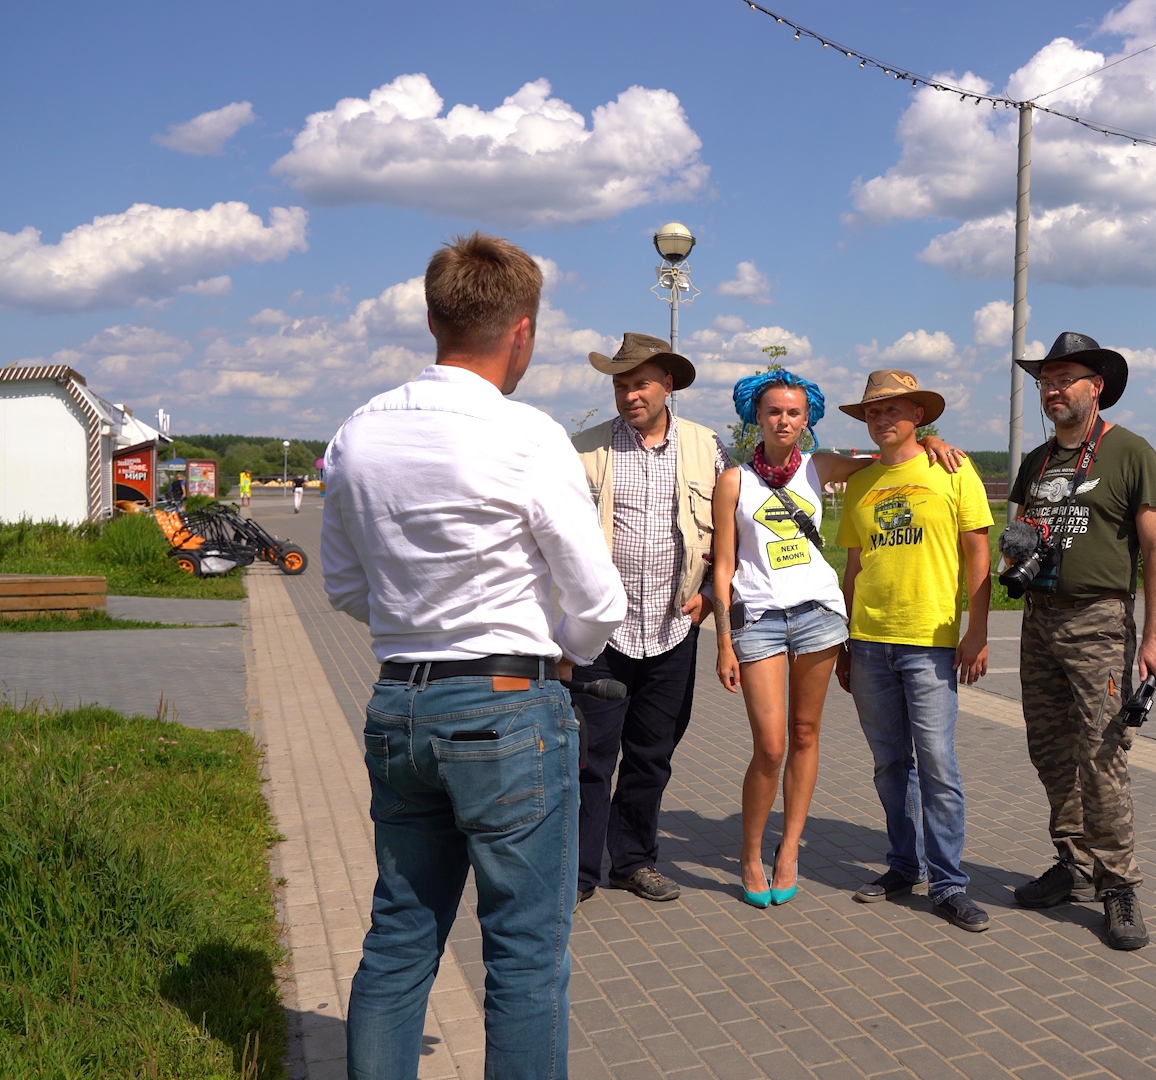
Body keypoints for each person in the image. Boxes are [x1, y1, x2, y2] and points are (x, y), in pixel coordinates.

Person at [321, 232, 626, 1078]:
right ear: (522, 331)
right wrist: (564, 655)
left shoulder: (359, 432)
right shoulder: (526, 436)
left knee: (401, 934)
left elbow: (343, 586)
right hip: (504, 707)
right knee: (525, 956)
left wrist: (414, 619)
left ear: (432, 318)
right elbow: (598, 600)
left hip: (399, 705)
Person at [710, 371, 964, 908]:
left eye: (795, 413)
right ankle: (751, 853)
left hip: (820, 617)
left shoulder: (817, 465)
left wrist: (934, 441)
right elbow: (725, 564)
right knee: (770, 745)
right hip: (758, 619)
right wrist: (724, 641)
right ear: (756, 416)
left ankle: (790, 851)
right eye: (774, 411)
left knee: (805, 732)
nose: (784, 421)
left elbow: (891, 459)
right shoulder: (733, 480)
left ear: (809, 420)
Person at [1005, 332, 1156, 951]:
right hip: (1039, 619)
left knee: (1102, 753)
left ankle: (1119, 883)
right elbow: (1019, 531)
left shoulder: (1130, 453)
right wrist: (1016, 553)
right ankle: (1072, 862)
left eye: (1064, 379)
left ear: (1095, 387)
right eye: (1045, 381)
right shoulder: (1038, 460)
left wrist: (1153, 637)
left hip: (1099, 621)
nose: (1051, 390)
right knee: (1050, 748)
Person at [568, 332, 730, 904]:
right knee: (589, 755)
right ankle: (579, 872)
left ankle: (633, 861)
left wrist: (711, 592)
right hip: (599, 635)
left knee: (650, 756)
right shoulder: (583, 449)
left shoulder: (705, 447)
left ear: (668, 385)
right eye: (620, 384)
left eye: (640, 383)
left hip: (673, 630)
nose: (630, 394)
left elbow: (735, 532)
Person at [835, 369, 994, 934]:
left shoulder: (951, 468)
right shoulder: (859, 484)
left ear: (919, 416)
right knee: (888, 764)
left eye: (895, 410)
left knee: (937, 764)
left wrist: (975, 631)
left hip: (930, 641)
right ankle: (903, 864)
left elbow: (978, 553)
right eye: (874, 411)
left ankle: (949, 883)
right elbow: (854, 567)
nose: (884, 419)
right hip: (870, 640)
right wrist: (844, 645)